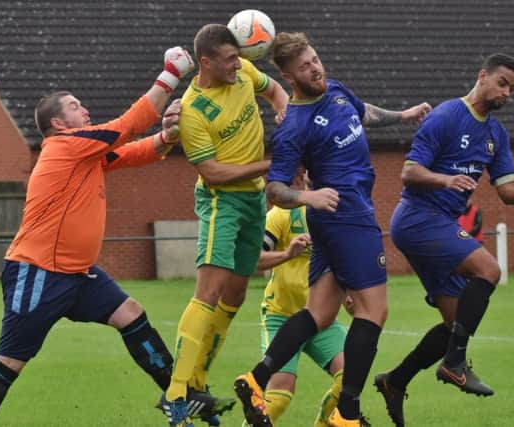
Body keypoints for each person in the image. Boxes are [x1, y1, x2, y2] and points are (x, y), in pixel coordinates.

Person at [0, 46, 223, 427]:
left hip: (78, 274)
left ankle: (178, 397)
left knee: (132, 315)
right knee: (9, 363)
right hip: (38, 273)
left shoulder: (85, 154)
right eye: (74, 105)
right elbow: (131, 124)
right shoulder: (67, 146)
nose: (84, 110)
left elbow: (132, 152)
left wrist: (166, 136)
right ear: (60, 124)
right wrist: (170, 74)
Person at [234, 32, 431, 427]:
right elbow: (275, 187)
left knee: (319, 313)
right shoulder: (294, 125)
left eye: (316, 58)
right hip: (347, 217)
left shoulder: (336, 90)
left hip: (343, 217)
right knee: (375, 311)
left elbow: (363, 113)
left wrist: (403, 115)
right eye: (305, 65)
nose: (315, 67)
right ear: (290, 76)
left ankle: (255, 379)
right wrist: (309, 197)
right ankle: (348, 413)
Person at [374, 53, 514, 427]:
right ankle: (455, 364)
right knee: (489, 269)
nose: (507, 93)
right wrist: (446, 180)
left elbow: (509, 190)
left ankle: (395, 381)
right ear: (483, 76)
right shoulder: (447, 116)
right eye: (503, 83)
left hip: (438, 223)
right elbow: (409, 172)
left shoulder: (496, 134)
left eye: (513, 88)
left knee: (453, 323)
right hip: (417, 218)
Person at [160, 23, 289, 427]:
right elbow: (212, 172)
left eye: (239, 57)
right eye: (231, 59)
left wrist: (284, 110)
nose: (240, 64)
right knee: (210, 291)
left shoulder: (245, 73)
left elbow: (274, 90)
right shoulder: (193, 110)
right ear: (206, 62)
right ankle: (175, 395)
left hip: (253, 199)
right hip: (222, 202)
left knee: (234, 296)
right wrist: (272, 164)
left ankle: (197, 380)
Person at [243, 166, 349, 427]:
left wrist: (349, 292)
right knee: (279, 398)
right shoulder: (280, 216)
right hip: (282, 317)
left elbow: (343, 259)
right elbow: (252, 259)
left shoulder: (335, 216)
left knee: (351, 377)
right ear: (303, 179)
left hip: (322, 316)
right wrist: (287, 254)